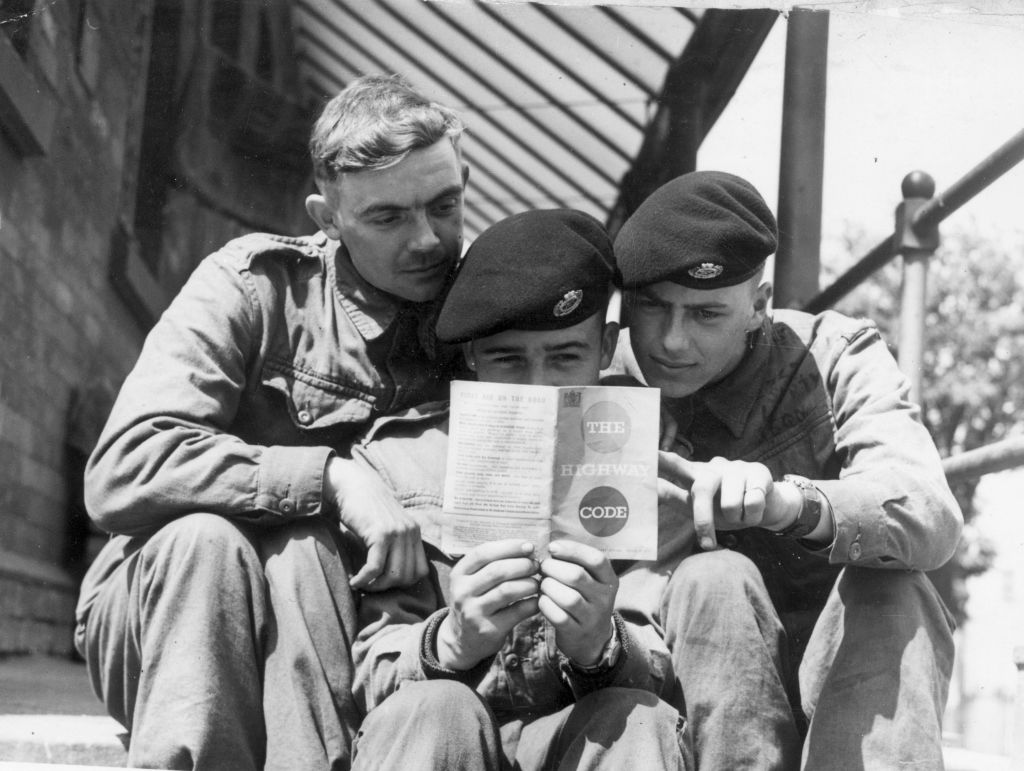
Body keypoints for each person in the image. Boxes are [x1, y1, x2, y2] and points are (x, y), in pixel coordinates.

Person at [73, 74, 469, 770]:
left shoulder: (483, 314)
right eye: (387, 218)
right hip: (183, 624)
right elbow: (127, 464)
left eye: (445, 205)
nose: (427, 240)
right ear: (327, 217)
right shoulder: (253, 286)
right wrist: (332, 479)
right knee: (205, 542)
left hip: (363, 635)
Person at [608, 170, 963, 770]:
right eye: (652, 307)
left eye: (705, 314)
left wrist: (790, 503)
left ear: (759, 307)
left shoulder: (835, 355)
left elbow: (928, 511)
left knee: (894, 586)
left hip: (839, 684)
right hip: (674, 686)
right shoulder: (597, 380)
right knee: (710, 579)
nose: (671, 341)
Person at [347, 209, 693, 770]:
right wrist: (449, 642)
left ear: (606, 347)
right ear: (471, 354)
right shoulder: (397, 463)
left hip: (582, 744)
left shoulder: (648, 469)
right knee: (436, 707)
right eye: (508, 359)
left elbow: (664, 663)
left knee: (638, 717)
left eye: (565, 357)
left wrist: (602, 648)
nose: (539, 387)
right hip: (446, 746)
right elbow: (367, 674)